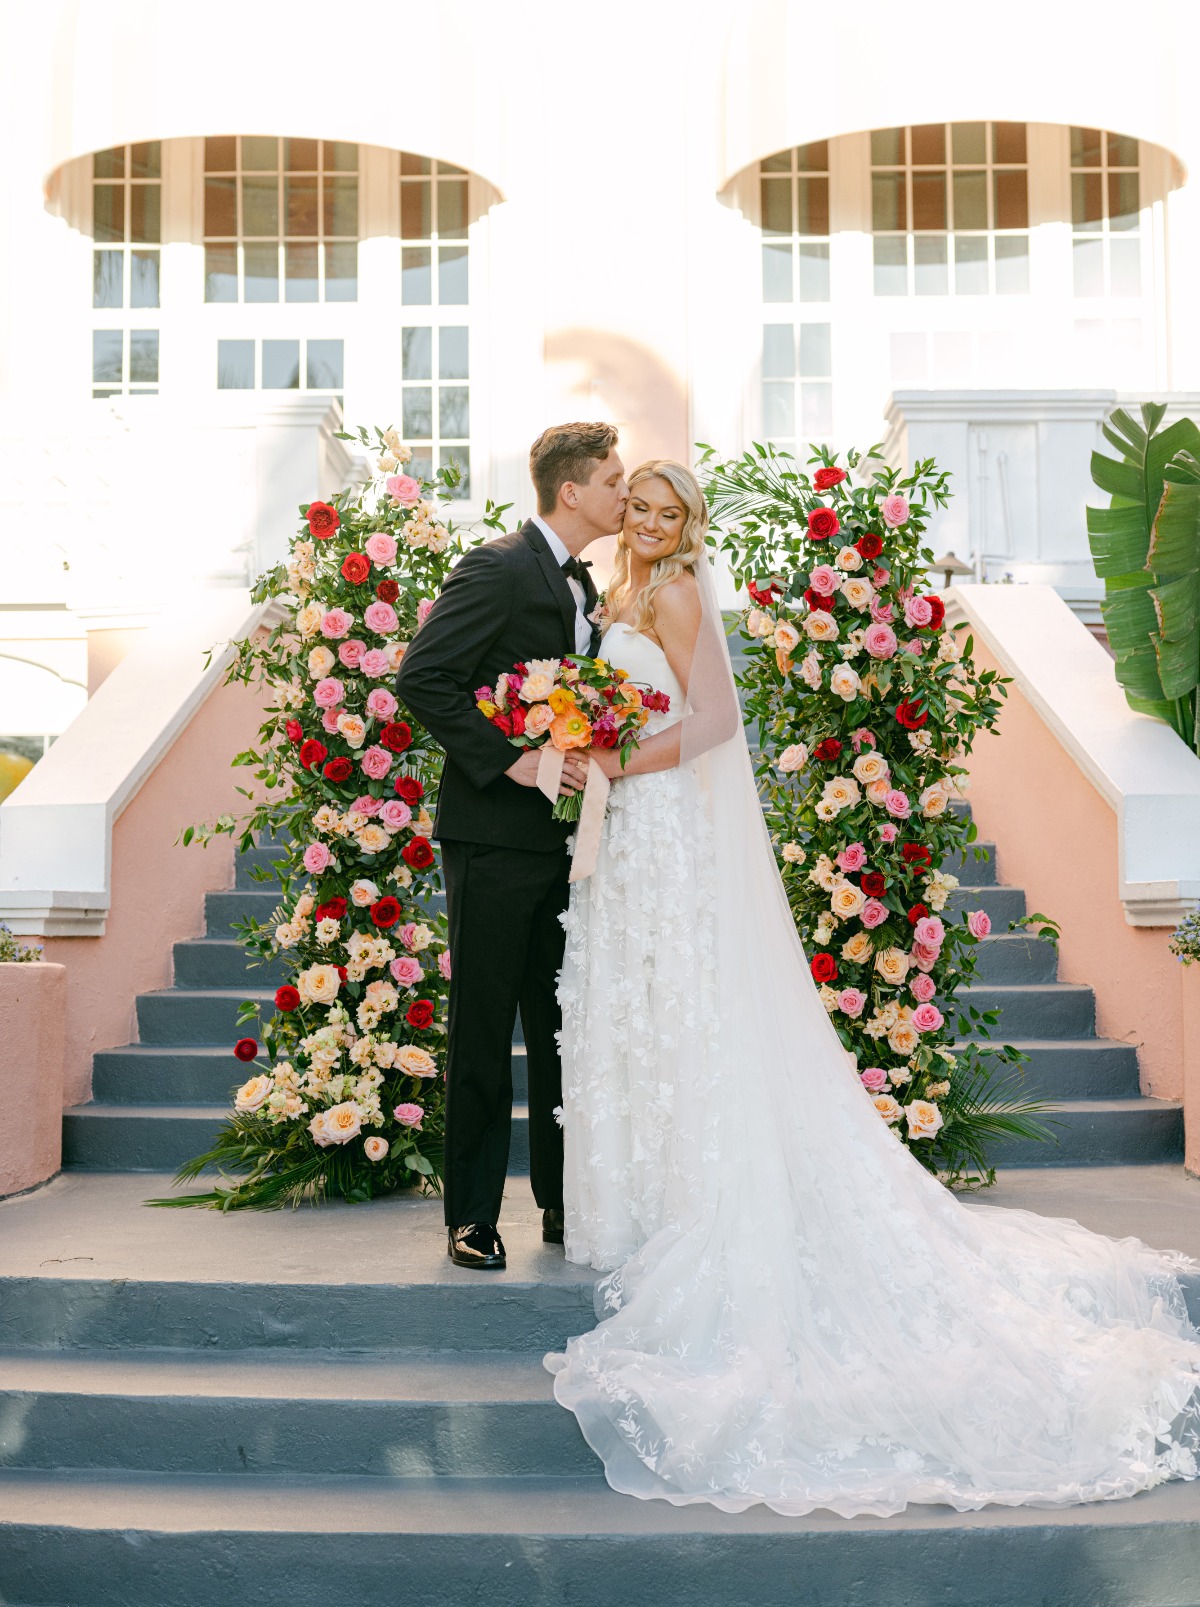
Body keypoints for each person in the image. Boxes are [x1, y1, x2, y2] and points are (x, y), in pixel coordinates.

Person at [546, 457, 1200, 1518]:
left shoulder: (669, 593)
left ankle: (690, 1195)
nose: (657, 524)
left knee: (688, 1008)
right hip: (630, 839)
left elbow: (713, 724)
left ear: (689, 524)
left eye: (673, 513)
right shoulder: (618, 588)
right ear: (624, 510)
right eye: (645, 508)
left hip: (661, 823)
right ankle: (648, 1192)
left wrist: (620, 761)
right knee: (646, 1004)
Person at [398, 422, 628, 1270]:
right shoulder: (496, 566)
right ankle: (470, 1216)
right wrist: (516, 759)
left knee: (561, 1024)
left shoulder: (588, 583)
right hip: (493, 839)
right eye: (613, 478)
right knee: (486, 1027)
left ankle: (564, 1201)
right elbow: (423, 676)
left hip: (569, 842)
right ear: (571, 491)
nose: (624, 491)